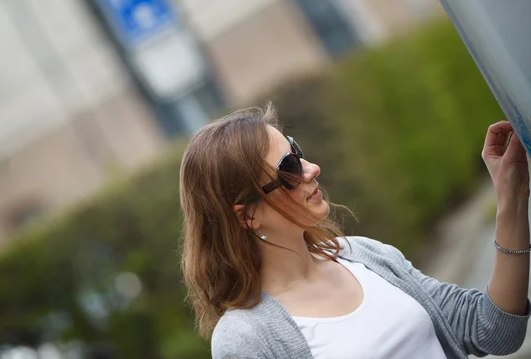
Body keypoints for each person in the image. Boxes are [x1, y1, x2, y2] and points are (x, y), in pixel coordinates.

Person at [179, 104, 531, 358]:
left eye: (296, 152)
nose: (311, 169)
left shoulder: (363, 256)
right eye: (287, 169)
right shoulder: (245, 338)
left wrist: (511, 200)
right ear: (247, 216)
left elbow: (491, 329)